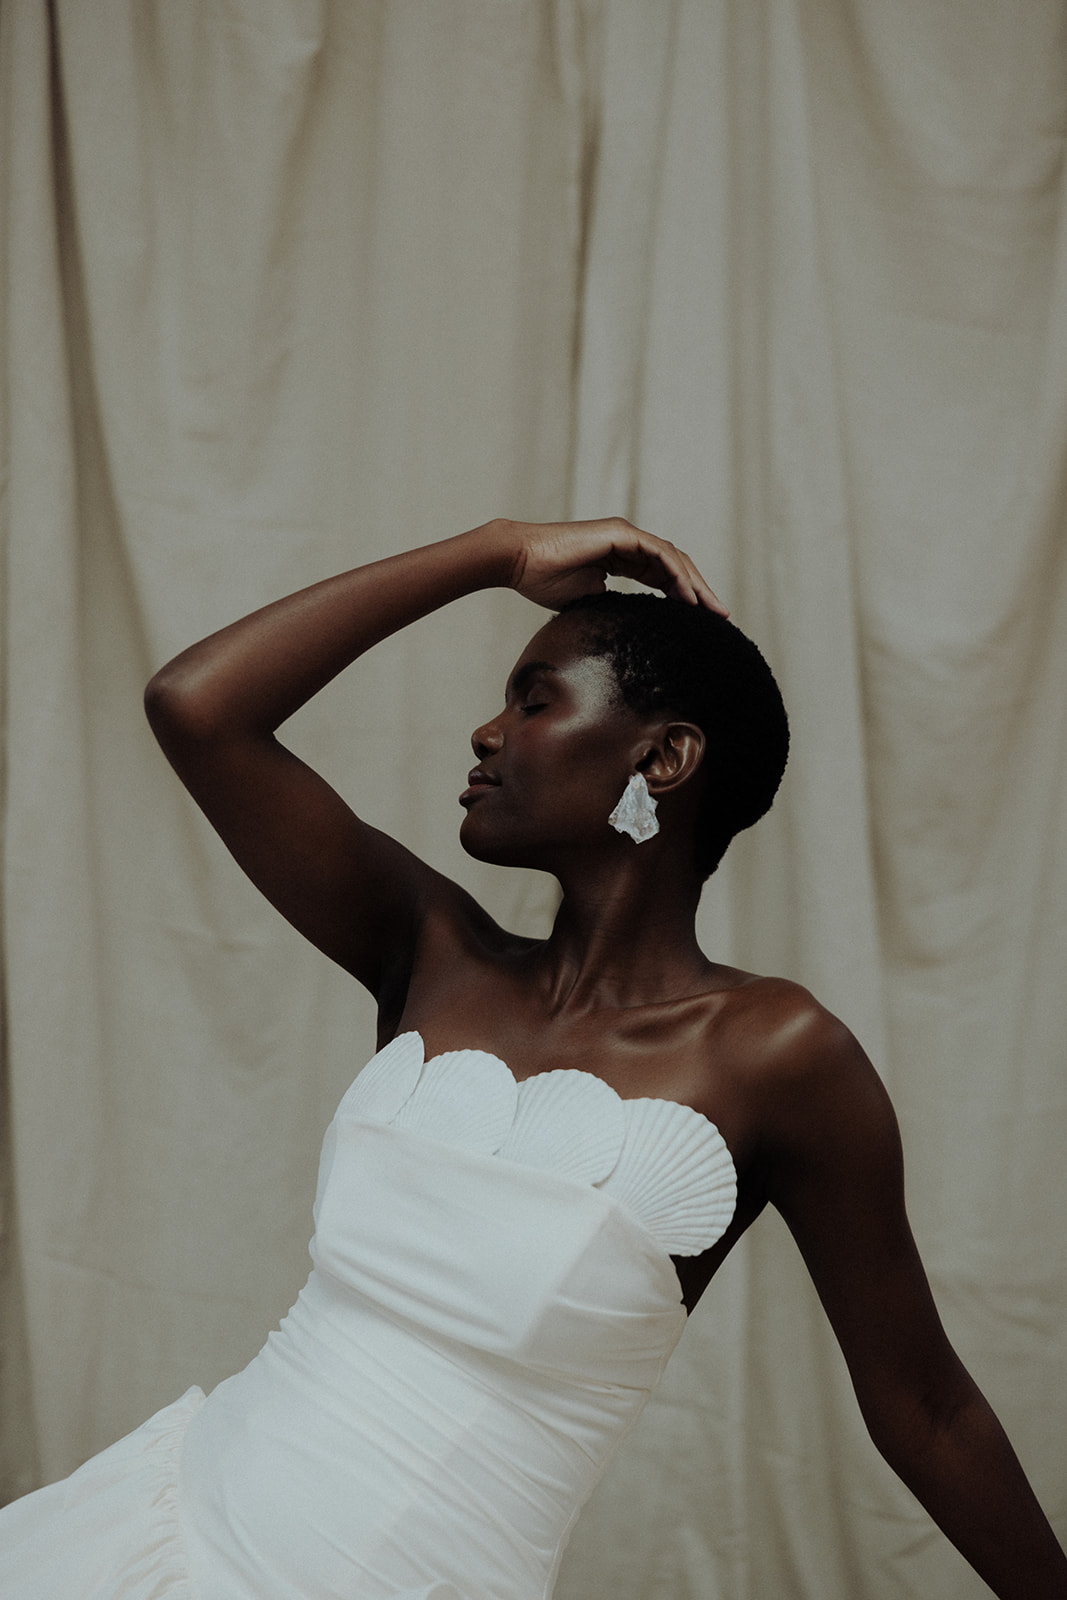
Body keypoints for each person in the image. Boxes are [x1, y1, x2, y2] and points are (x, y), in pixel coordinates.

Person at [0, 516, 1064, 1600]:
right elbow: (198, 707)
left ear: (661, 756)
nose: (485, 730)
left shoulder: (774, 1054)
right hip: (163, 1534)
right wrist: (497, 553)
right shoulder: (433, 952)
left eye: (534, 699)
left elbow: (927, 1413)